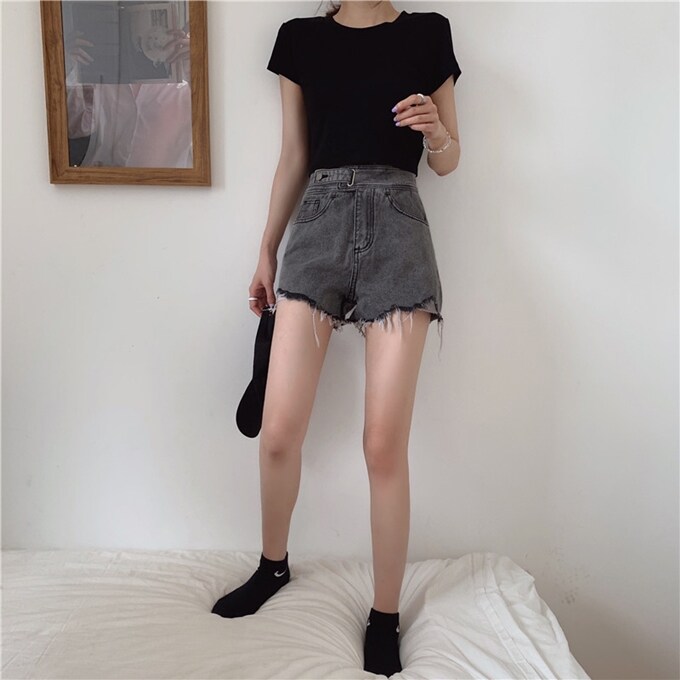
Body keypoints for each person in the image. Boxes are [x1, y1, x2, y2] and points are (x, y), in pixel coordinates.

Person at [212, 1, 462, 675]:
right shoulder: (300, 39)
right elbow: (295, 154)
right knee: (277, 432)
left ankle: (385, 615)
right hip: (317, 227)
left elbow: (448, 162)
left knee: (383, 445)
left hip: (399, 230)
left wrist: (437, 132)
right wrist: (266, 249)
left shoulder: (428, 32)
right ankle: (272, 566)